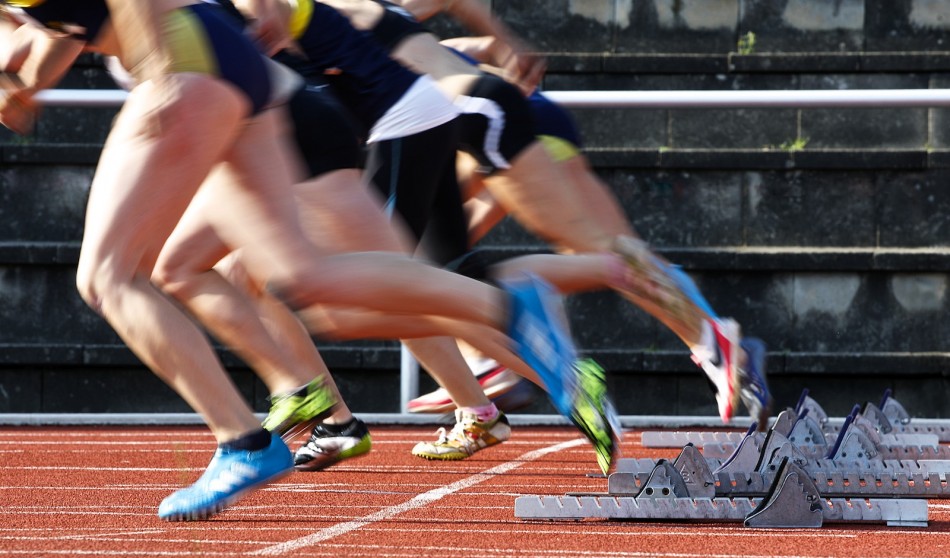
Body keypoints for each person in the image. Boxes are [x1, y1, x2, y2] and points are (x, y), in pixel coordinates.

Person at [0, 0, 588, 520]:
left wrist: (156, 69)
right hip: (242, 68)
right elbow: (57, 37)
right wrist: (19, 81)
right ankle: (511, 310)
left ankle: (244, 443)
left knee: (109, 276)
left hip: (190, 66)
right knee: (302, 280)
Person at [320, 0, 772, 431]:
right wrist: (506, 42)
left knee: (409, 272)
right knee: (450, 267)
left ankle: (708, 337)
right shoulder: (355, 12)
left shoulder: (305, 18)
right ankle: (493, 360)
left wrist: (503, 44)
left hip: (466, 112)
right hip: (467, 113)